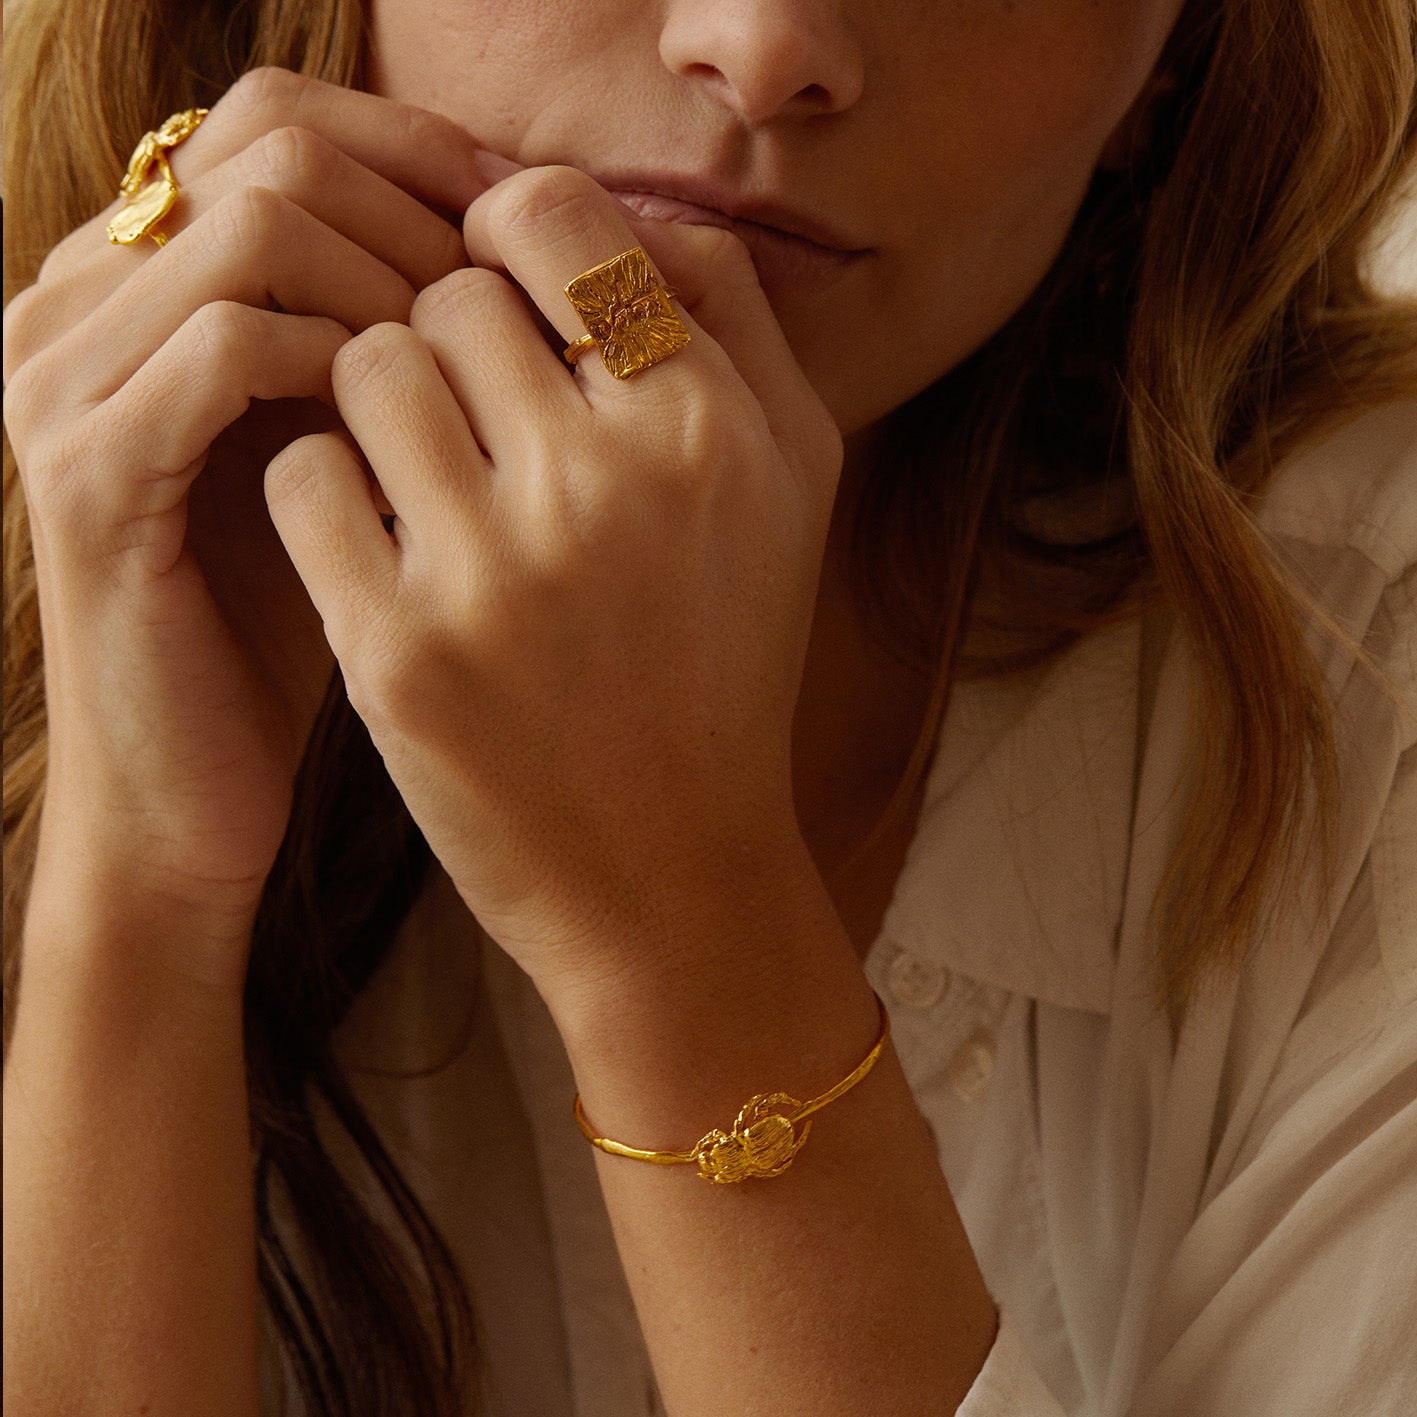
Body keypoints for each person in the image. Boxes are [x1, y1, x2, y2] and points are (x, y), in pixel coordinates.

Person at [2, 0, 1414, 1413]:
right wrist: (138, 885)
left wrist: (688, 934)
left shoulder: (1372, 669)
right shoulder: (92, 513)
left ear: (1176, 61)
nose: (761, 47)